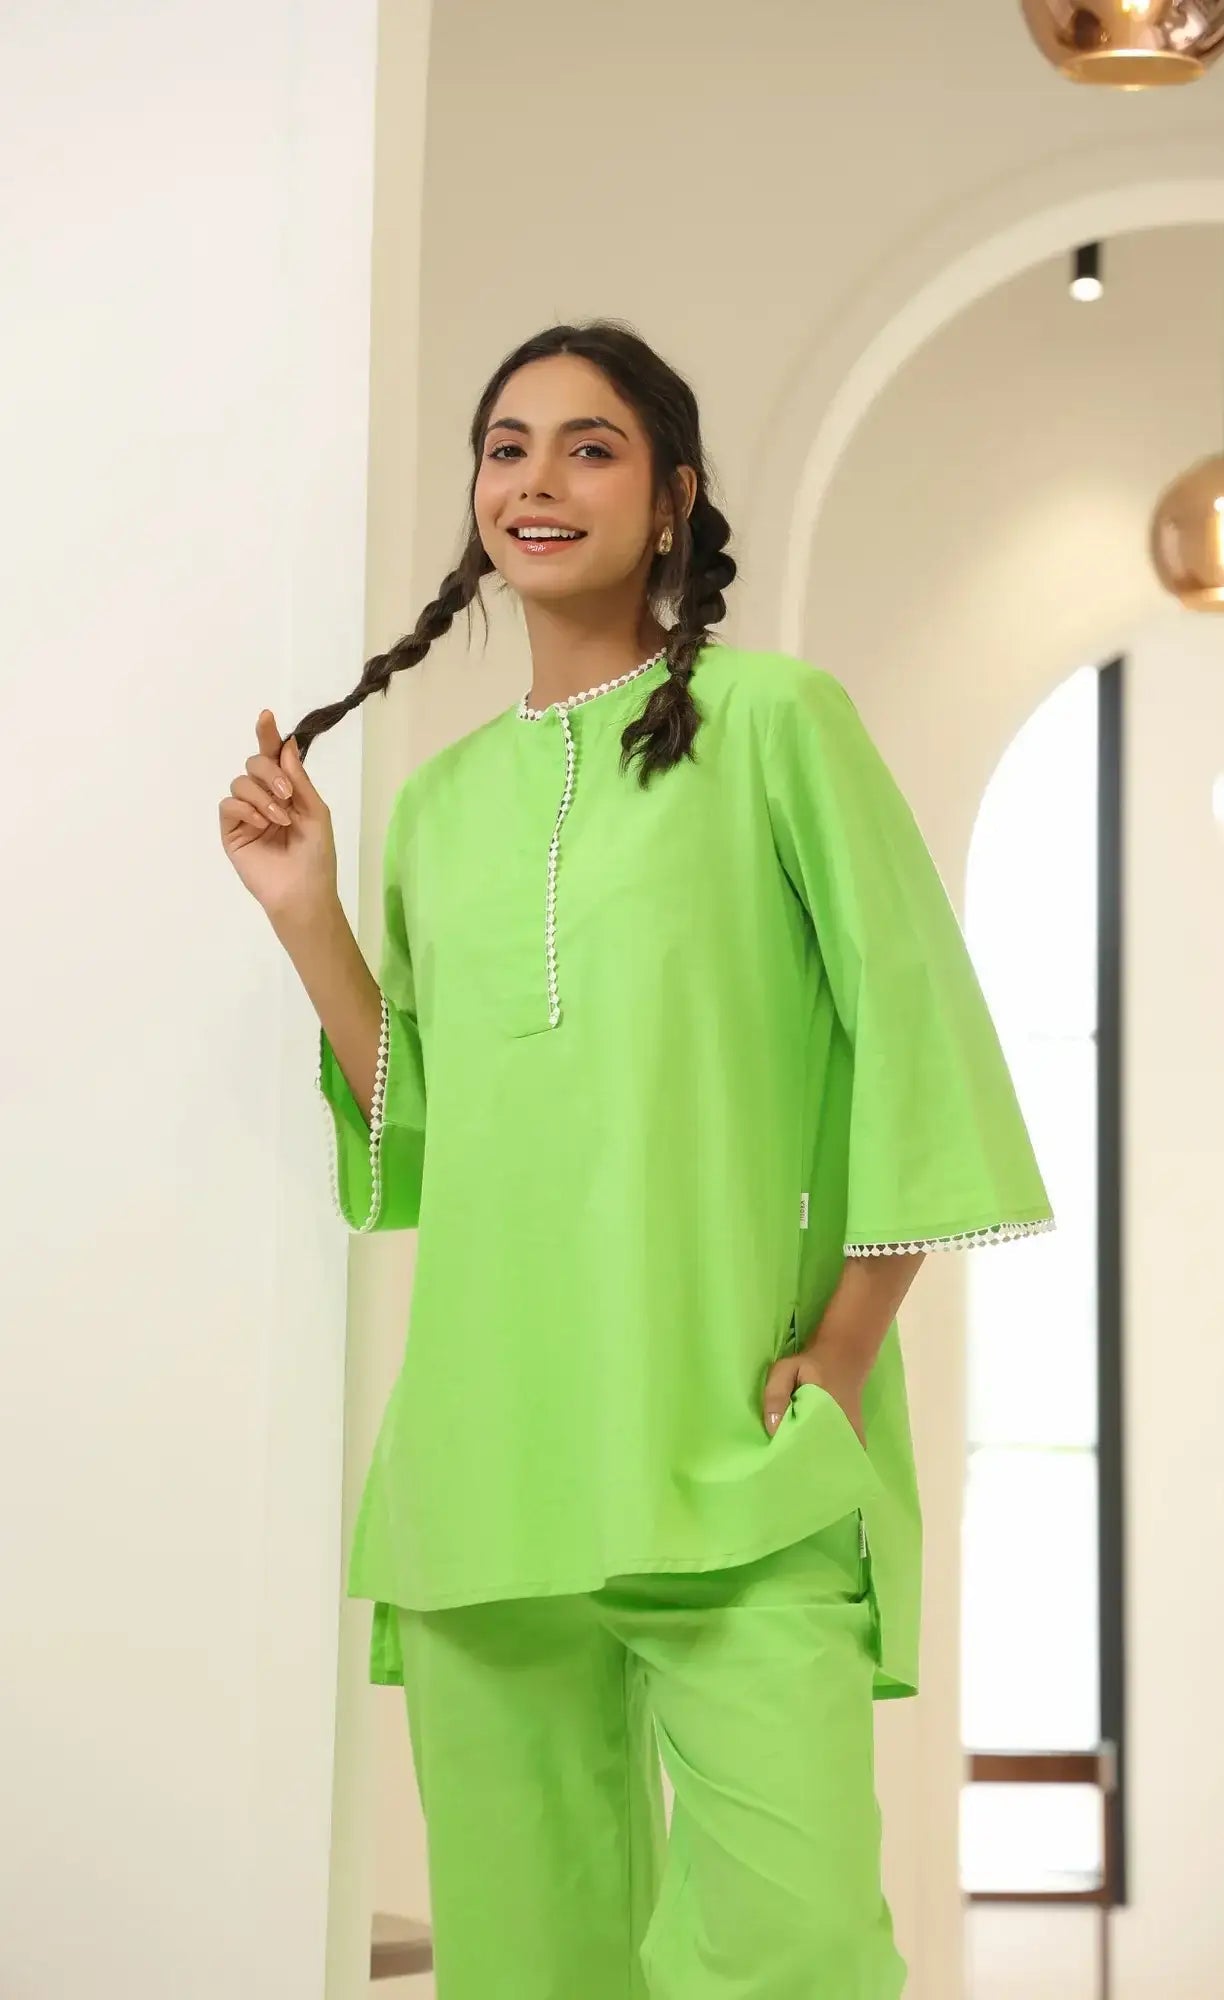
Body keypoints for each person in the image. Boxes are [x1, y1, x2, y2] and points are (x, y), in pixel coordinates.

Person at [220, 319, 1054, 1999]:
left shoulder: (776, 723)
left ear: (671, 497)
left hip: (731, 1451)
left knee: (794, 1949)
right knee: (527, 1966)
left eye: (588, 447)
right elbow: (420, 1141)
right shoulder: (440, 804)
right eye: (506, 446)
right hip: (486, 1472)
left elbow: (916, 1039)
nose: (537, 480)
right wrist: (307, 913)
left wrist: (844, 1349)